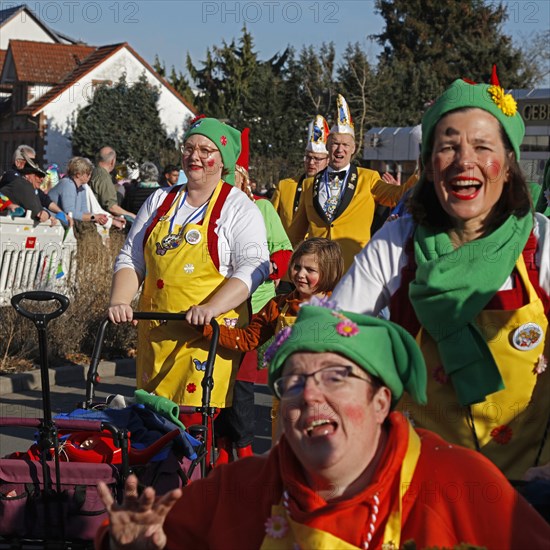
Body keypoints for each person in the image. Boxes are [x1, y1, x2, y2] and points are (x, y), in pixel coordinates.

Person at [96, 304, 550, 549]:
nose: (310, 395)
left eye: (336, 376)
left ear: (380, 400)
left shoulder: (458, 484)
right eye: (292, 383)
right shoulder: (236, 489)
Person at [332, 67, 550, 482]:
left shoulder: (542, 244)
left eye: (483, 146)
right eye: (448, 147)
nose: (464, 161)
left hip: (531, 496)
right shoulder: (399, 242)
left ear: (508, 165)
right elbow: (335, 333)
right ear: (429, 167)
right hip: (421, 489)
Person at [107, 117, 269, 418]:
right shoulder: (160, 199)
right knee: (149, 429)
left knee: (191, 428)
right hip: (156, 336)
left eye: (206, 150)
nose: (195, 156)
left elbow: (254, 267)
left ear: (223, 162)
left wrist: (211, 307)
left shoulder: (238, 207)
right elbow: (131, 257)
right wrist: (120, 300)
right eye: (190, 147)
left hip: (205, 338)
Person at [213, 127, 293, 461]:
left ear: (245, 178)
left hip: (252, 308)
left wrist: (262, 271)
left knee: (242, 387)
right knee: (213, 385)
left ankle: (244, 453)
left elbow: (284, 252)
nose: (231, 182)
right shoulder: (207, 208)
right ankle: (213, 453)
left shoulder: (261, 208)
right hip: (213, 306)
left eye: (235, 176)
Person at [288, 95, 416, 271]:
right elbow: (295, 233)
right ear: (327, 146)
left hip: (353, 268)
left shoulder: (368, 178)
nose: (340, 149)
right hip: (317, 274)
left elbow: (397, 196)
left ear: (354, 148)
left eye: (346, 145)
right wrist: (289, 267)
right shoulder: (310, 184)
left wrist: (421, 171)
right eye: (335, 144)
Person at [271, 114, 330, 235]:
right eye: (308, 157)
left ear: (328, 160)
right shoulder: (285, 186)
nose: (311, 162)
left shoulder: (333, 188)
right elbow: (270, 222)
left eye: (317, 159)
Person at [48, 157, 109, 226]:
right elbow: (70, 212)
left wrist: (96, 218)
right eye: (88, 173)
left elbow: (84, 211)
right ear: (78, 174)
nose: (90, 176)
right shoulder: (67, 184)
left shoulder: (82, 187)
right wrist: (94, 217)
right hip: (49, 221)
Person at [89, 146, 136, 222]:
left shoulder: (95, 172)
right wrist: (132, 216)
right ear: (112, 161)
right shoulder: (104, 178)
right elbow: (112, 207)